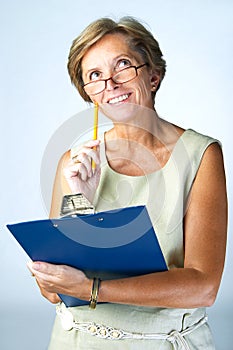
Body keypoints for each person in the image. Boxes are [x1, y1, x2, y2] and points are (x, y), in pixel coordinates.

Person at [27, 16, 227, 349]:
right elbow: (51, 292)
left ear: (153, 75)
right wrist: (79, 201)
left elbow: (202, 287)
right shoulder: (75, 164)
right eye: (94, 76)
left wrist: (93, 289)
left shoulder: (201, 156)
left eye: (122, 65)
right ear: (88, 94)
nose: (110, 83)